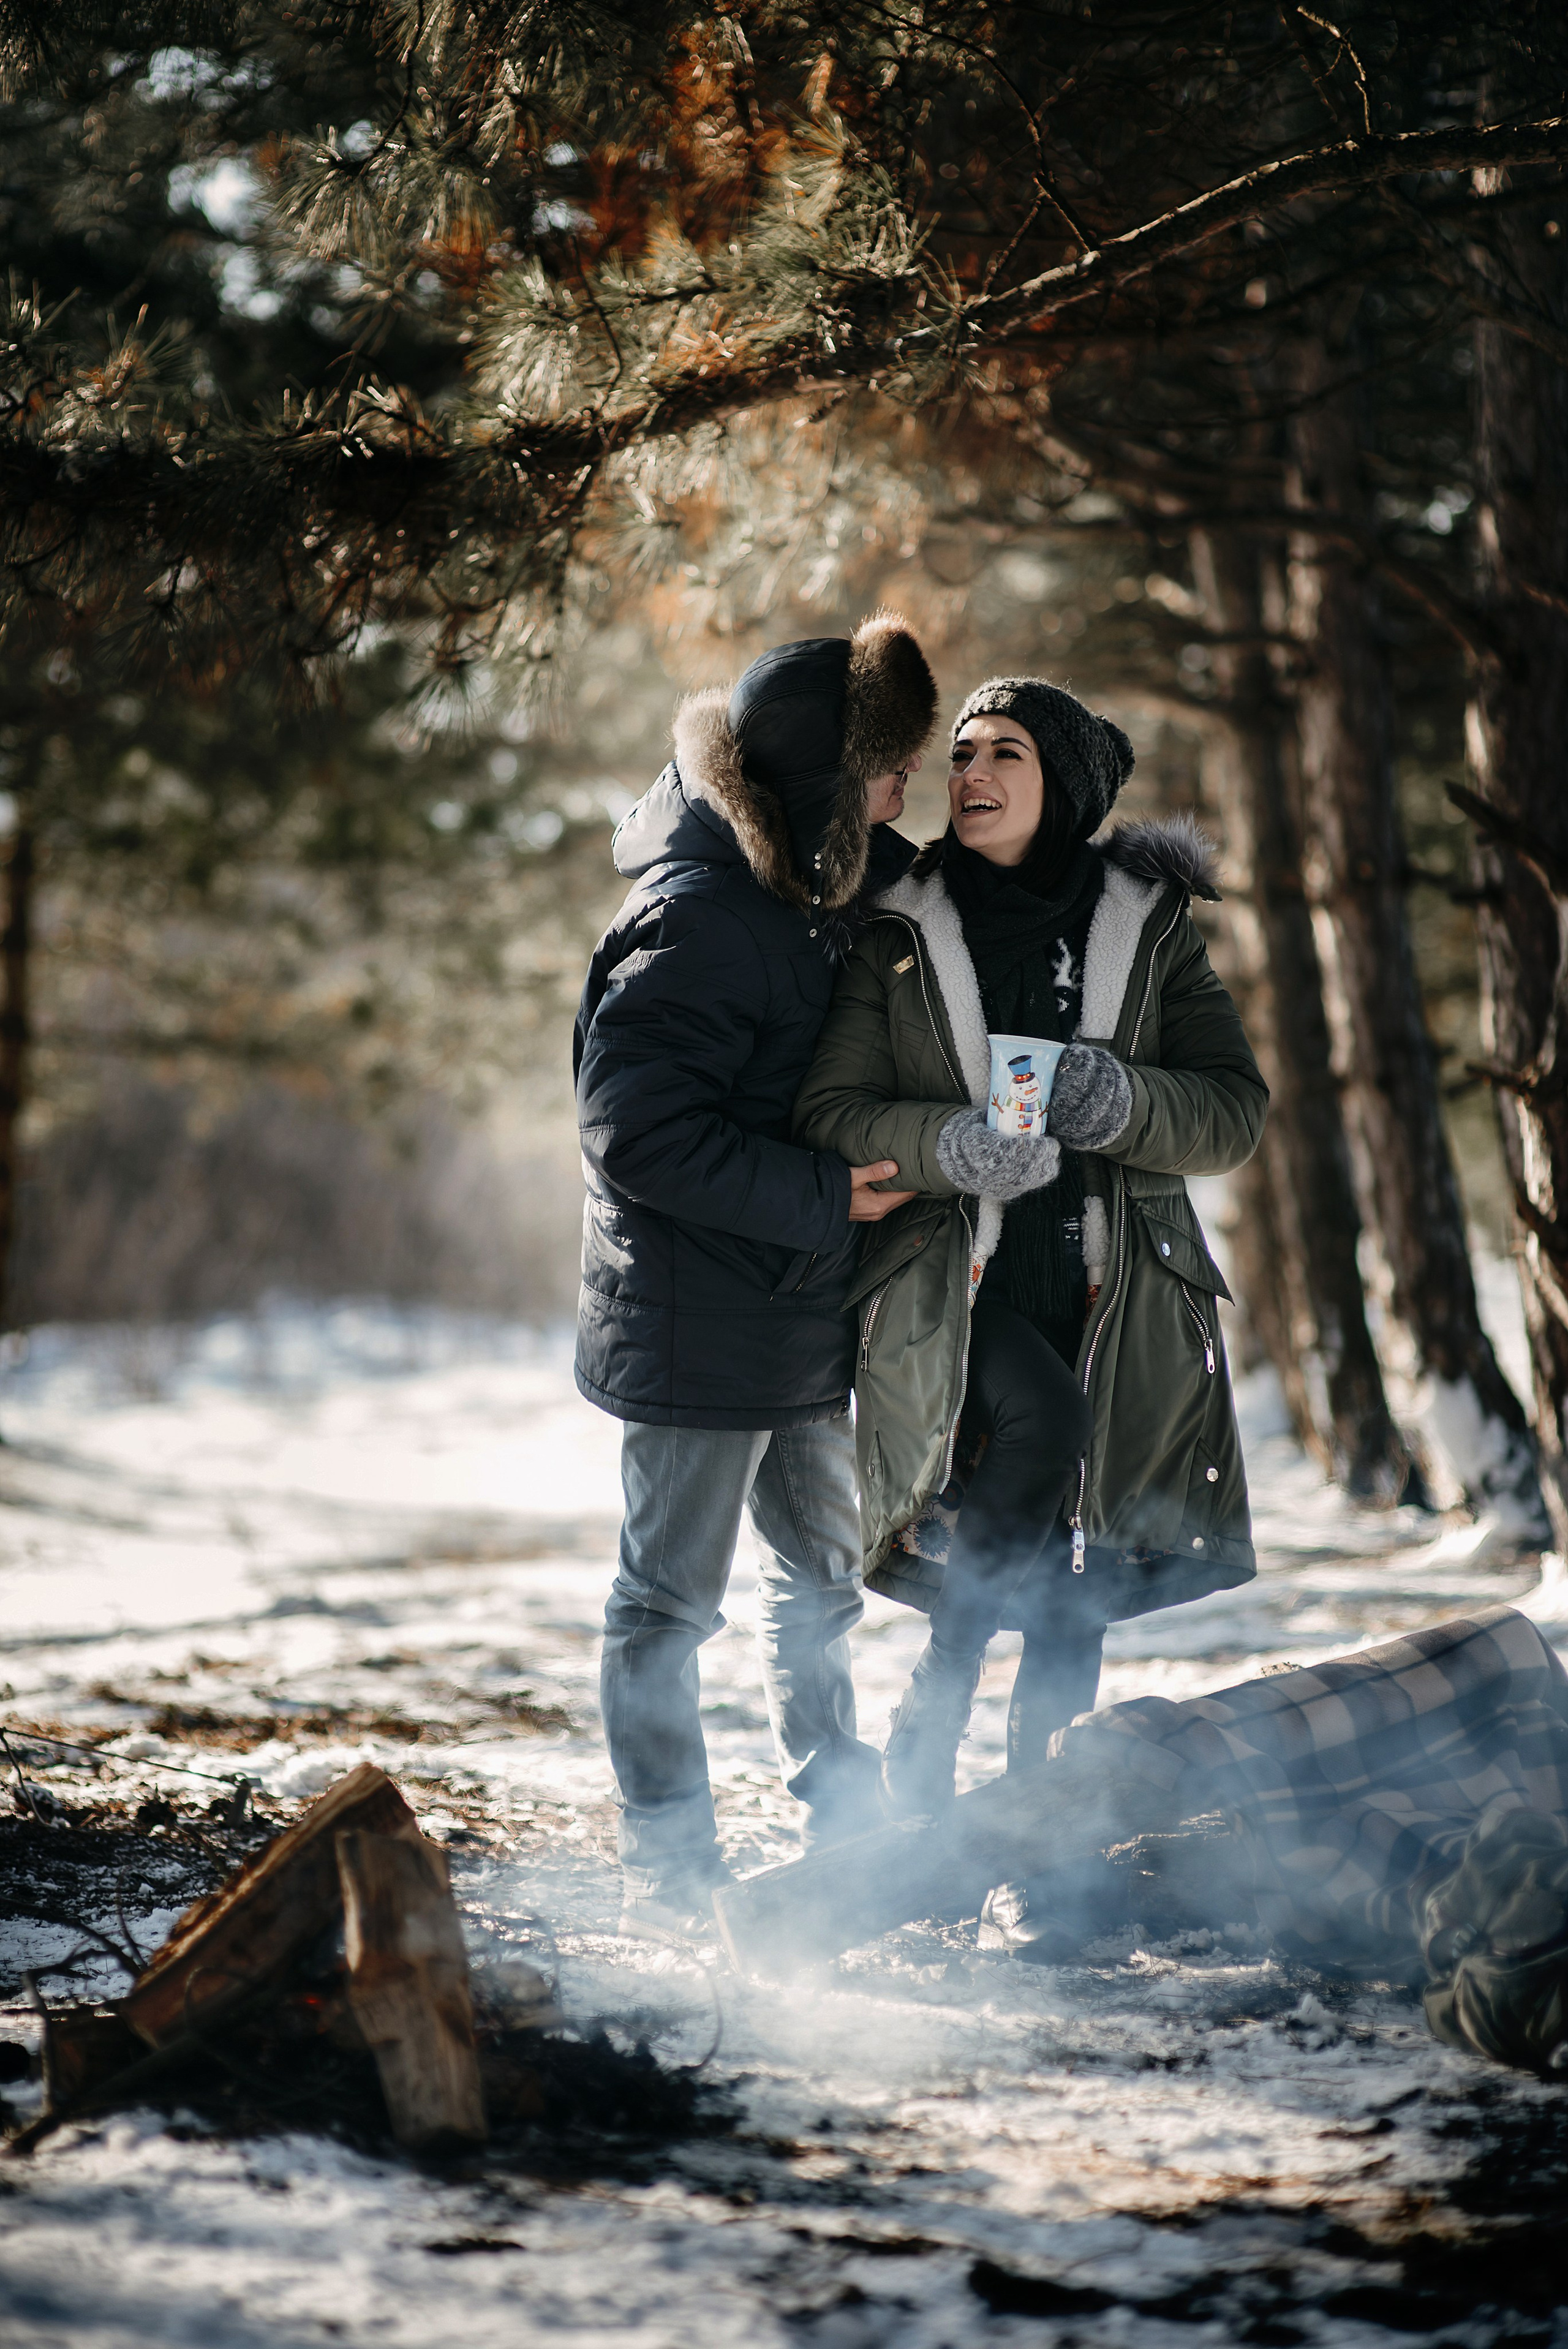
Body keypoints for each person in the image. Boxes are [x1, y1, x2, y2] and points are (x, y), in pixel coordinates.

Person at [793, 674, 1268, 1877]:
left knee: (1087, 1552)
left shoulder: (1147, 923)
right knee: (1044, 1424)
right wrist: (947, 1141)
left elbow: (1231, 1113)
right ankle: (935, 1715)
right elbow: (829, 1108)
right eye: (959, 752)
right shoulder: (895, 923)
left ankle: (1035, 1814)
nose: (969, 773)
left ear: (1060, 781)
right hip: (954, 1286)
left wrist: (1123, 1100)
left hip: (1122, 1296)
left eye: (1003, 751)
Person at [575, 613, 937, 1940]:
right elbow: (633, 1131)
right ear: (829, 781)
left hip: (794, 1309)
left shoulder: (809, 896)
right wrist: (822, 1195)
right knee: (669, 1602)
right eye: (887, 771)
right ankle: (668, 1859)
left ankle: (838, 1803)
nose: (907, 793)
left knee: (821, 1581)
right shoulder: (706, 914)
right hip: (691, 1324)